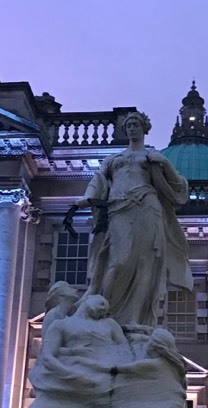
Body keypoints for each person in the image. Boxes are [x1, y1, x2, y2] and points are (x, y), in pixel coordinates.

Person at [75, 111, 192, 327]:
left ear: (144, 128)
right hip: (118, 209)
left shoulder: (152, 157)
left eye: (136, 124)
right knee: (116, 263)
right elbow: (99, 179)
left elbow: (179, 188)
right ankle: (104, 314)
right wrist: (87, 198)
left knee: (144, 264)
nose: (131, 128)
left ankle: (134, 320)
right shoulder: (114, 158)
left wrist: (165, 163)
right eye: (129, 125)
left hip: (147, 208)